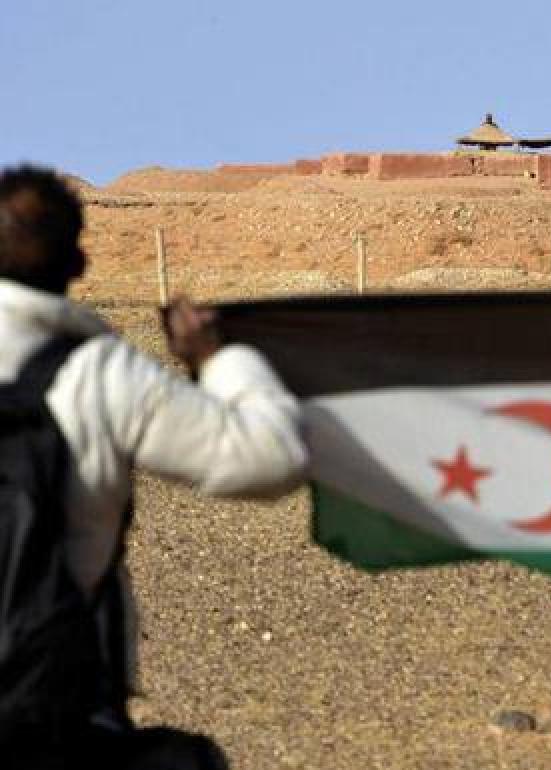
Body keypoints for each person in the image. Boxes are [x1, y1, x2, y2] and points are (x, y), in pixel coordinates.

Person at [0, 166, 307, 767]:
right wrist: (216, 360)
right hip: (50, 708)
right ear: (79, 265)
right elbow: (272, 456)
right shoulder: (99, 374)